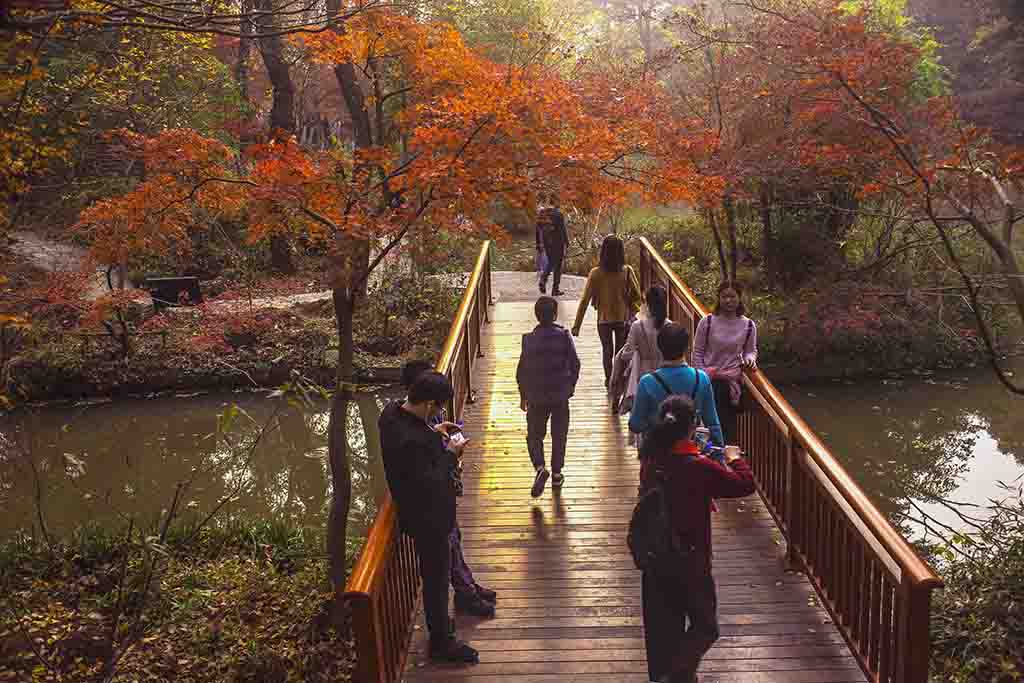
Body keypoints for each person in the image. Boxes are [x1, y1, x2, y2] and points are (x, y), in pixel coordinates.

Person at [637, 394, 755, 683]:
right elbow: (744, 485)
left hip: (656, 557)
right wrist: (735, 459)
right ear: (691, 428)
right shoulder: (698, 467)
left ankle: (671, 675)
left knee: (664, 628)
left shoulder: (651, 460)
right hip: (691, 558)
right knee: (705, 626)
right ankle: (677, 674)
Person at [378, 371, 478, 663]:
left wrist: (435, 432)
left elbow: (416, 442)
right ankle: (442, 642)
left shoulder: (391, 415)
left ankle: (442, 631)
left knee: (437, 576)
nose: (439, 414)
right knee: (435, 581)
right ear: (427, 403)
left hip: (423, 515)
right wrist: (452, 454)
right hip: (429, 520)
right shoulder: (412, 441)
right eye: (438, 408)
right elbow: (430, 481)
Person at [399, 361, 497, 618]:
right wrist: (451, 454)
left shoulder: (417, 419)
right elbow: (428, 474)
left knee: (456, 542)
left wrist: (440, 434)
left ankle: (468, 586)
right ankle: (464, 598)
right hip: (430, 509)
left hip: (442, 501)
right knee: (444, 559)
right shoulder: (407, 429)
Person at [516, 296, 581, 498]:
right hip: (560, 394)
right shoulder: (563, 335)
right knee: (559, 434)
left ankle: (539, 467)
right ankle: (557, 473)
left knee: (534, 435)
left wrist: (523, 395)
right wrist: (570, 386)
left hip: (536, 395)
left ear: (536, 316)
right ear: (555, 315)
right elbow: (575, 363)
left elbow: (521, 371)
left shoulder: (528, 339)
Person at [628, 322, 723, 449]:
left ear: (659, 347)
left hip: (657, 455)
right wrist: (720, 454)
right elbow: (713, 424)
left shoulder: (647, 382)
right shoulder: (701, 379)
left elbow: (636, 425)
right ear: (686, 348)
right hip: (692, 454)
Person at [692, 281, 758, 445]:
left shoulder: (748, 325)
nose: (728, 301)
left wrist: (750, 359)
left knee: (728, 429)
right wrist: (701, 376)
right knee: (708, 427)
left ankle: (724, 463)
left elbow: (751, 350)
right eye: (724, 297)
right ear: (719, 299)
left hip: (731, 383)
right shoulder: (707, 322)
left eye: (732, 296)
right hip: (709, 381)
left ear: (739, 298)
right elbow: (697, 352)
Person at [571, 234, 641, 390]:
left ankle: (609, 379)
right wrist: (632, 308)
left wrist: (577, 325)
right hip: (622, 319)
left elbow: (584, 300)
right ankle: (619, 380)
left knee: (607, 351)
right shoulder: (627, 271)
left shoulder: (596, 273)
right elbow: (638, 295)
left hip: (603, 319)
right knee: (620, 352)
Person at [610, 284, 671, 417]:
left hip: (642, 374)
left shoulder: (638, 326)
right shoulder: (670, 326)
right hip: (666, 375)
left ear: (647, 303)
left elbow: (627, 354)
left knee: (642, 415)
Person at [536, 206, 568, 296]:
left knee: (551, 262)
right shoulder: (558, 214)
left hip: (547, 243)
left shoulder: (543, 214)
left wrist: (539, 243)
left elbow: (538, 230)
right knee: (557, 266)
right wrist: (566, 242)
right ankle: (555, 289)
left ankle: (543, 279)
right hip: (558, 243)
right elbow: (562, 230)